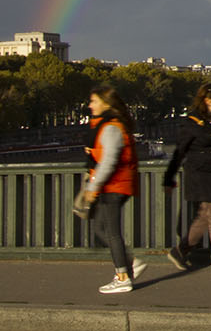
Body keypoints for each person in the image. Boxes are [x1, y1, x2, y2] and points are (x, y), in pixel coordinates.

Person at [163, 82, 211, 275]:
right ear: (207, 100)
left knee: (205, 217)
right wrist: (168, 179)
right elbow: (179, 153)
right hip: (199, 175)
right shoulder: (191, 123)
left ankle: (180, 251)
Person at [81, 85, 145, 293]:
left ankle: (123, 276)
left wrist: (93, 186)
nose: (90, 105)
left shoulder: (110, 127)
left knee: (111, 232)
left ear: (105, 103)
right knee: (101, 228)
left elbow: (108, 161)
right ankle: (129, 262)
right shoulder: (110, 125)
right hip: (115, 183)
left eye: (94, 101)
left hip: (115, 184)